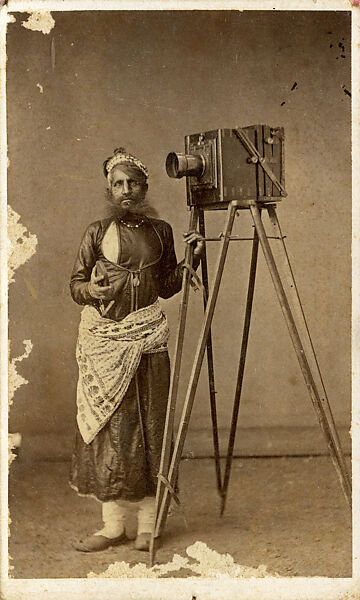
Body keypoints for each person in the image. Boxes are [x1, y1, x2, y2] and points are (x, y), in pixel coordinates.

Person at [69, 147, 204, 552]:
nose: (126, 190)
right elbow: (75, 285)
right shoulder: (96, 232)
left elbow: (166, 287)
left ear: (145, 187)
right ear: (109, 190)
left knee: (150, 432)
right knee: (108, 433)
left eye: (133, 183)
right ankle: (112, 527)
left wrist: (192, 258)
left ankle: (148, 525)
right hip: (104, 346)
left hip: (147, 343)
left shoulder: (161, 231)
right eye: (118, 184)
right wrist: (90, 289)